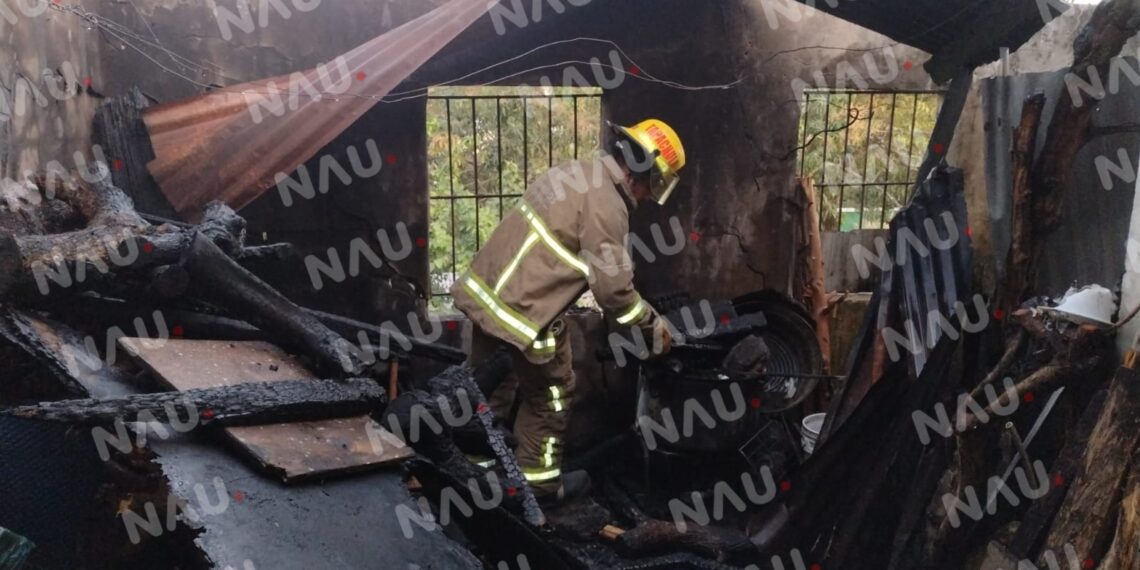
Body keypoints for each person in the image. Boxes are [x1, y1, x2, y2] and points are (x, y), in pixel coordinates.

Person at [451, 118, 687, 506]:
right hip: (528, 315)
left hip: (487, 299)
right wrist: (653, 329)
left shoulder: (574, 172)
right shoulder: (608, 206)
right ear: (639, 170)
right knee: (552, 397)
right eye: (654, 183)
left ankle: (470, 478)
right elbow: (614, 294)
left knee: (487, 389)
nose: (648, 195)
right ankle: (538, 489)